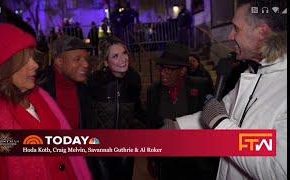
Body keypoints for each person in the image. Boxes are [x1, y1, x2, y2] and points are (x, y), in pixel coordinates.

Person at [174, 1, 287, 179]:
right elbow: (218, 112)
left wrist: (221, 125)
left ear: (262, 33)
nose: (230, 35)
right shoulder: (253, 72)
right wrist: (177, 126)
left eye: (236, 28)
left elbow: (278, 169)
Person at [0, 13, 92, 180]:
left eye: (32, 57)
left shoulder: (41, 98)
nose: (35, 64)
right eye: (24, 60)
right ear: (2, 67)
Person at [146, 43, 218, 179]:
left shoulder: (201, 86)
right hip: (166, 163)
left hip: (195, 163)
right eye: (161, 68)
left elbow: (209, 122)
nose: (162, 73)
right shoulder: (153, 91)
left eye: (169, 69)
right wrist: (151, 158)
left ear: (183, 71)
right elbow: (151, 125)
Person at [86, 36, 146, 180]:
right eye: (115, 56)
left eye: (124, 53)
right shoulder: (95, 82)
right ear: (106, 62)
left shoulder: (133, 80)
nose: (123, 59)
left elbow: (137, 110)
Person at [41, 35, 91, 129]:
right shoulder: (40, 90)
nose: (86, 64)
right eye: (77, 59)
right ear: (59, 62)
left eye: (86, 59)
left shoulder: (87, 90)